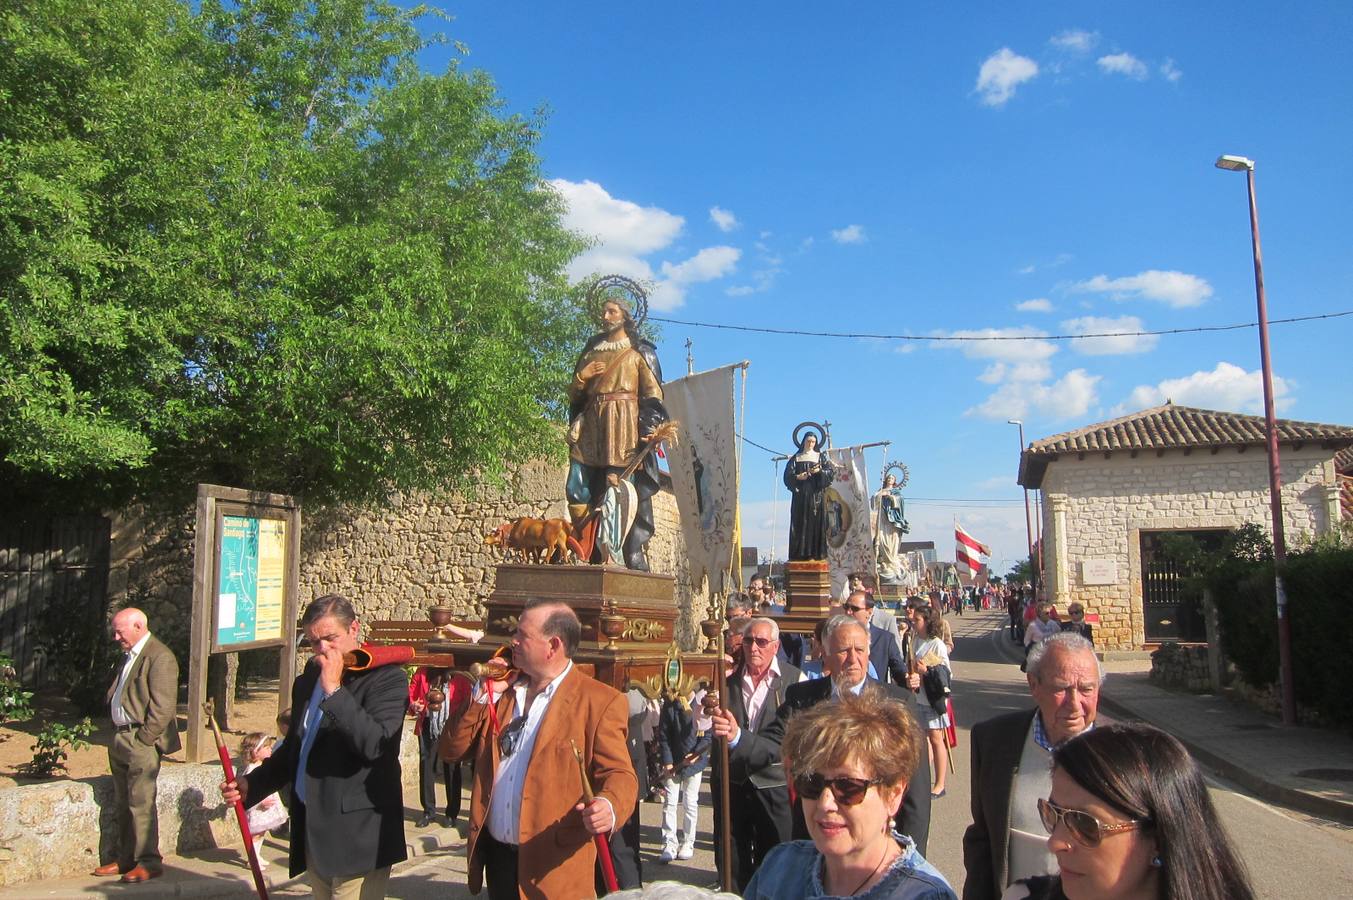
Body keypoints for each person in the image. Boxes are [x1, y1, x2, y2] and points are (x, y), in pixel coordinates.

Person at [439, 599, 637, 899]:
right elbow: (451, 750)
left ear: (553, 646)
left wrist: (609, 806)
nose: (513, 641)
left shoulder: (599, 702)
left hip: (553, 871)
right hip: (498, 863)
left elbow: (621, 774)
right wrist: (483, 695)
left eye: (523, 634)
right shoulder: (503, 692)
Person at [221, 594, 409, 898]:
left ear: (353, 629)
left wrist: (334, 691)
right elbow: (297, 746)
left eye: (330, 638)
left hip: (359, 834)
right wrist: (252, 784)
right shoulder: (308, 679)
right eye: (313, 641)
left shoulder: (387, 680)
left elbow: (376, 745)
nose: (322, 649)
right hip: (314, 829)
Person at [715, 615, 933, 856]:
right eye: (843, 651)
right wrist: (736, 736)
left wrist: (911, 855)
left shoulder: (898, 702)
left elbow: (916, 789)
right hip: (816, 839)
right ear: (825, 655)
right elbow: (774, 743)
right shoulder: (802, 698)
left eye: (859, 650)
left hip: (873, 843)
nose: (853, 659)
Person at [1003, 723, 1255, 900]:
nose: (1055, 842)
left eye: (1084, 824)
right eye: (1052, 814)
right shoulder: (1021, 896)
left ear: (1158, 839)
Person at [742, 692, 957, 899]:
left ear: (893, 794)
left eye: (848, 787)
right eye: (811, 783)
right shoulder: (780, 868)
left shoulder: (923, 895)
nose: (825, 803)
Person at [962, 632, 1101, 900]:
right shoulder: (993, 741)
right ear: (1033, 685)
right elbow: (983, 838)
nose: (1074, 704)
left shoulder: (1128, 754)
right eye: (1061, 689)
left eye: (1086, 689)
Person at [566, 286, 668, 571]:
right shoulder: (592, 350)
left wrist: (649, 427)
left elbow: (653, 395)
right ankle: (586, 547)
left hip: (623, 426)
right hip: (592, 425)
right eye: (604, 311)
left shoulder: (639, 351)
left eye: (611, 311)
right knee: (576, 486)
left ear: (624, 316)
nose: (605, 316)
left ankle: (619, 552)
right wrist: (581, 377)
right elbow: (574, 397)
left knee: (618, 489)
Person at [707, 617, 803, 890]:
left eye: (761, 642)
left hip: (773, 786)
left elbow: (785, 741)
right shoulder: (725, 680)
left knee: (776, 860)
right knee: (732, 861)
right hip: (732, 784)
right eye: (748, 641)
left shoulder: (795, 681)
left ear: (775, 646)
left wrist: (738, 737)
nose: (753, 648)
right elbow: (699, 724)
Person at [93, 608, 181, 883]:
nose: (116, 637)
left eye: (120, 632)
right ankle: (126, 858)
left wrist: (144, 739)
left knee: (141, 802)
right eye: (115, 632)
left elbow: (163, 706)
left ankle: (148, 861)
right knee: (123, 802)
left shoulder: (159, 656)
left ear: (139, 626)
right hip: (120, 737)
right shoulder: (129, 656)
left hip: (139, 740)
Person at [409, 665, 469, 829]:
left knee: (452, 768)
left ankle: (451, 813)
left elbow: (468, 701)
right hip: (428, 725)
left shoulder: (459, 676)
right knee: (426, 766)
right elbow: (411, 696)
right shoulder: (422, 673)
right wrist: (415, 705)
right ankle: (428, 811)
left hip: (451, 726)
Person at [655, 689, 711, 863]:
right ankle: (669, 842)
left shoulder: (703, 702)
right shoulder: (670, 703)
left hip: (694, 762)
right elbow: (664, 735)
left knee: (690, 802)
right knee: (670, 803)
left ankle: (688, 841)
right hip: (674, 762)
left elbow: (708, 735)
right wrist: (667, 761)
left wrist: (696, 754)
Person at [910, 605, 953, 799]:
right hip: (918, 696)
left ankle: (940, 784)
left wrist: (926, 671)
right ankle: (923, 780)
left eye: (917, 620)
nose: (913, 622)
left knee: (936, 739)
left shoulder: (937, 644)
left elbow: (945, 674)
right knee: (922, 739)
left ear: (927, 621)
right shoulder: (914, 640)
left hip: (932, 698)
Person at [784, 430, 837, 561]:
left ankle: (815, 554)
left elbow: (830, 473)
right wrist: (798, 477)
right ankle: (799, 554)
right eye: (808, 441)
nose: (810, 444)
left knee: (815, 523)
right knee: (799, 523)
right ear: (803, 442)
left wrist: (819, 471)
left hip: (816, 497)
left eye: (813, 442)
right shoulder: (796, 458)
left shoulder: (820, 457)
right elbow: (787, 477)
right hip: (800, 497)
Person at [841, 591, 909, 688]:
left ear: (869, 612)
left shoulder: (885, 639)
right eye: (846, 607)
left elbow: (898, 670)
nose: (848, 612)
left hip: (875, 693)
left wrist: (908, 679)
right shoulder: (835, 637)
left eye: (854, 609)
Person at [239, 733, 288, 856]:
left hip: (266, 809)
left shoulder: (265, 767)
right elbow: (252, 789)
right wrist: (260, 801)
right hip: (259, 810)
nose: (270, 749)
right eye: (266, 747)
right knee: (256, 834)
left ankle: (257, 855)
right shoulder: (252, 769)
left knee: (262, 833)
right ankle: (253, 856)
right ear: (256, 752)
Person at [873, 473, 910, 584]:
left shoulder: (896, 492)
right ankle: (885, 561)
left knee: (892, 540)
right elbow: (873, 502)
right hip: (883, 518)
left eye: (892, 478)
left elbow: (900, 501)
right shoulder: (881, 490)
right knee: (882, 540)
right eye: (888, 478)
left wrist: (892, 497)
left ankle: (892, 561)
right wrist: (880, 495)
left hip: (892, 521)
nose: (890, 479)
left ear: (894, 481)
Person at [1022, 603, 1061, 672]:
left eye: (1050, 613)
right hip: (1037, 653)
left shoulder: (1053, 624)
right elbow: (1026, 640)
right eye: (1046, 613)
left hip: (1050, 652)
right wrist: (1031, 650)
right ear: (1039, 614)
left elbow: (1059, 634)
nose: (1049, 615)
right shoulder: (1033, 625)